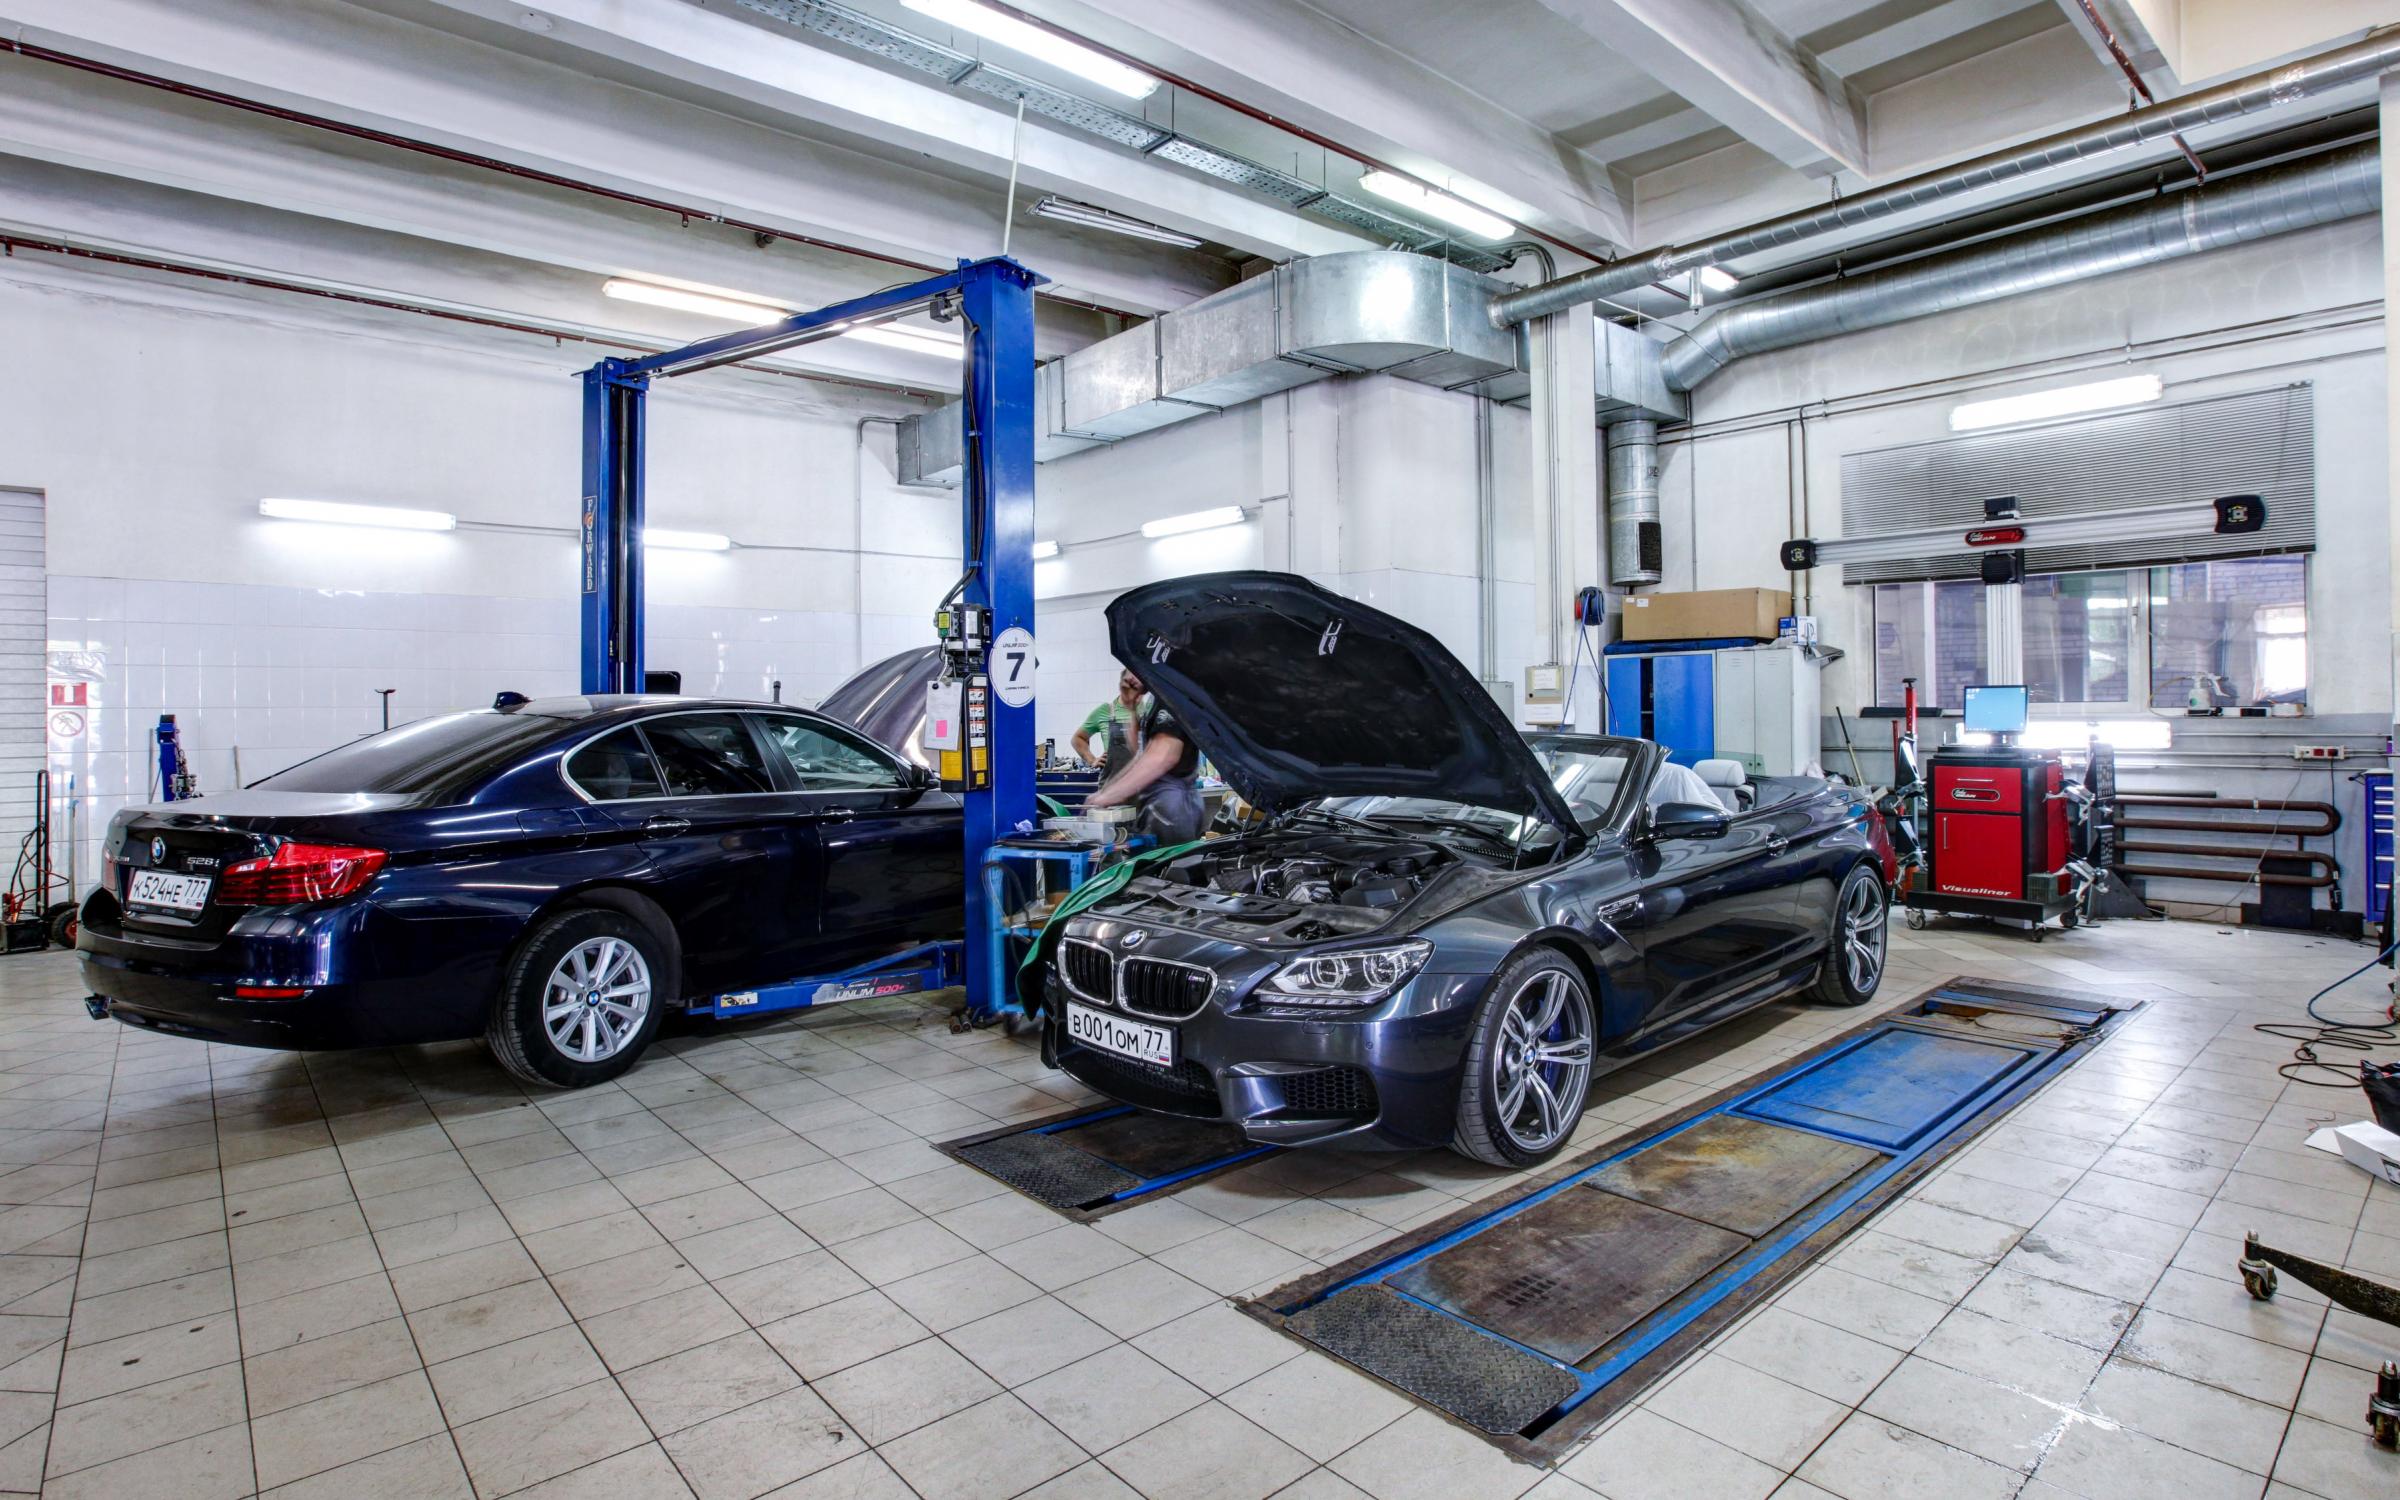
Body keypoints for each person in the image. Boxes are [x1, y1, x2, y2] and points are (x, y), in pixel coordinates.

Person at [1086, 692, 1208, 844]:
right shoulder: (1153, 702)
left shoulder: (1169, 699)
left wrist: (1111, 794)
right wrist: (1132, 710)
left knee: (1171, 858)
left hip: (1172, 808)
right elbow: (1141, 754)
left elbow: (1163, 757)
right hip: (1153, 805)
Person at [1072, 670, 1146, 772]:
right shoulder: (1105, 710)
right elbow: (1078, 738)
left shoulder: (1150, 710)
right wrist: (1092, 760)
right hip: (1111, 777)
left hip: (1143, 776)